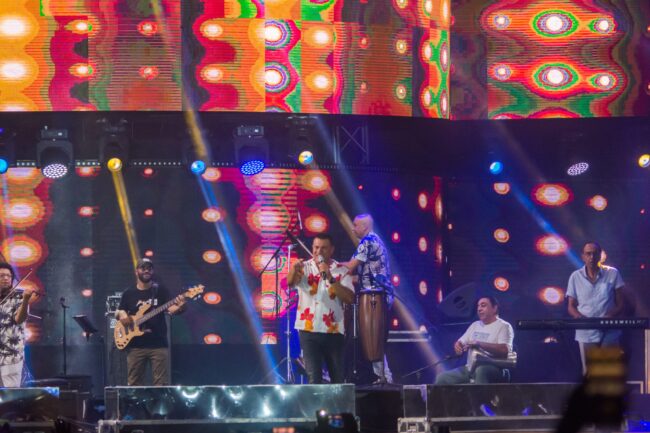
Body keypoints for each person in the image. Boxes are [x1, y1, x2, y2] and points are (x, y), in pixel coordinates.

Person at [287, 233, 355, 384]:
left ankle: (337, 401)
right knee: (314, 379)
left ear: (331, 250)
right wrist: (293, 270)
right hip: (308, 331)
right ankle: (315, 401)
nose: (319, 251)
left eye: (323, 248)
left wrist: (329, 277)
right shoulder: (304, 267)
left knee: (337, 380)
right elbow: (290, 283)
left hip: (333, 332)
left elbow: (349, 298)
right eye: (316, 247)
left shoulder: (341, 270)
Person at [115, 258, 186, 386]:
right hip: (135, 346)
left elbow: (172, 309)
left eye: (149, 268)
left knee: (161, 384)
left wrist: (181, 306)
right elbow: (119, 311)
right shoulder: (128, 293)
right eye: (143, 268)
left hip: (158, 344)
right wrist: (122, 315)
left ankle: (159, 401)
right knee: (134, 384)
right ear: (136, 271)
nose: (147, 270)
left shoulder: (160, 290)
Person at [343, 214, 394, 384]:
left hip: (375, 296)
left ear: (364, 226)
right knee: (373, 338)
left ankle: (383, 376)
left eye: (355, 225)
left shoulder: (368, 242)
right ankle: (382, 376)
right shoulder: (374, 240)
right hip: (379, 295)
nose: (353, 228)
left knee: (373, 338)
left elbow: (350, 267)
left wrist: (328, 267)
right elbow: (363, 275)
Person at [567, 241, 624, 373]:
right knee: (590, 373)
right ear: (583, 256)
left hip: (609, 331)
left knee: (609, 372)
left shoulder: (613, 273)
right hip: (586, 333)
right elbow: (571, 306)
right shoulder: (575, 277)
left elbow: (621, 304)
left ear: (600, 255)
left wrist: (610, 315)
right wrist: (580, 318)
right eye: (588, 254)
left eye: (594, 253)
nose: (591, 257)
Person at [435, 296, 514, 384]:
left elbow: (505, 350)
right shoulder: (475, 325)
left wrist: (479, 344)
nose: (479, 309)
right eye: (478, 306)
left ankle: (480, 393)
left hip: (494, 368)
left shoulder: (504, 326)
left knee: (481, 371)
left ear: (494, 308)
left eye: (483, 305)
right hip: (470, 369)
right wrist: (458, 345)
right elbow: (461, 342)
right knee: (441, 378)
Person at [0, 263, 34, 387]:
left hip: (11, 355)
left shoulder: (19, 296)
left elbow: (19, 319)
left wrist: (25, 300)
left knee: (10, 394)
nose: (6, 278)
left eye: (8, 276)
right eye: (2, 276)